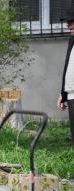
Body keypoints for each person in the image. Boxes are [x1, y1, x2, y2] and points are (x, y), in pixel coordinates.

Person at [58, 6, 74, 181]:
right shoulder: (72, 41)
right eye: (68, 21)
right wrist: (63, 93)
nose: (68, 25)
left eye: (72, 20)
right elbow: (68, 69)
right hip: (71, 95)